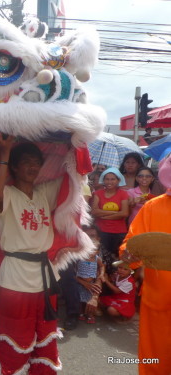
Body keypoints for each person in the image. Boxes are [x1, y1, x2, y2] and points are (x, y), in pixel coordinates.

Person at [0, 135, 63, 374]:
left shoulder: (44, 192)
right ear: (14, 166)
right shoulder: (7, 193)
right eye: (26, 162)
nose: (32, 167)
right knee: (14, 337)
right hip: (15, 279)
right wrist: (5, 152)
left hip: (45, 277)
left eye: (36, 162)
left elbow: (69, 174)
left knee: (45, 334)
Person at [119, 152, 171, 375]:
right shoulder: (152, 207)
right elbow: (131, 246)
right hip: (158, 298)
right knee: (155, 360)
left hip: (157, 296)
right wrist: (128, 256)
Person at [91, 167, 129, 272]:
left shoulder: (123, 193)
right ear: (103, 180)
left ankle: (115, 278)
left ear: (118, 181)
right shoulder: (98, 193)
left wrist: (103, 215)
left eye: (113, 179)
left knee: (117, 257)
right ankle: (103, 277)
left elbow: (125, 213)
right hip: (101, 230)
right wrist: (115, 213)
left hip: (118, 231)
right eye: (107, 179)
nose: (109, 181)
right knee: (101, 257)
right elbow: (94, 211)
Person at [75, 227, 105, 324]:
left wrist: (101, 275)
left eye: (94, 250)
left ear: (97, 251)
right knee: (80, 300)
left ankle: (90, 315)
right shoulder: (80, 256)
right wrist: (81, 281)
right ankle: (81, 313)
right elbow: (73, 271)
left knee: (89, 298)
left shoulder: (97, 258)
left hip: (92, 283)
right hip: (80, 282)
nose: (91, 252)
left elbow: (102, 266)